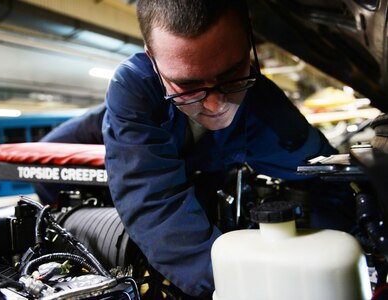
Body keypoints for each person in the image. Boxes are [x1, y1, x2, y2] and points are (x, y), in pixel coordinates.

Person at [102, 0, 338, 298]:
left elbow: (326, 174)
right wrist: (235, 286)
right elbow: (155, 203)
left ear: (250, 41)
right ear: (153, 61)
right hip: (94, 137)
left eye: (231, 74)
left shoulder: (262, 99)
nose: (217, 106)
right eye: (187, 84)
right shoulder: (134, 88)